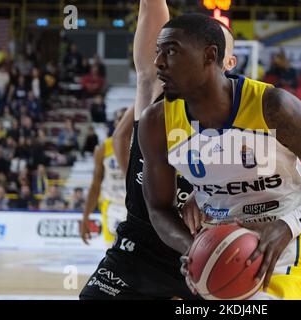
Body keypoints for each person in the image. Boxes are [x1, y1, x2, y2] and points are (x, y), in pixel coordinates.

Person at [139, 14, 301, 300]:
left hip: (286, 249)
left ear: (209, 56)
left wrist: (287, 226)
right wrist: (192, 247)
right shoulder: (157, 122)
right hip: (218, 253)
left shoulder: (273, 106)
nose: (158, 62)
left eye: (170, 51)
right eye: (158, 52)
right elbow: (158, 208)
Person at [79, 0, 237, 300]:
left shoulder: (250, 117)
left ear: (225, 61)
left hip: (204, 257)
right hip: (137, 250)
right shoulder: (159, 100)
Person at [80, 109, 127, 247]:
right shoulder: (103, 149)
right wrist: (85, 217)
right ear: (115, 123)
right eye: (120, 118)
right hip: (113, 206)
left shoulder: (144, 144)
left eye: (126, 118)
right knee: (113, 255)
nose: (123, 121)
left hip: (137, 208)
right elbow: (95, 186)